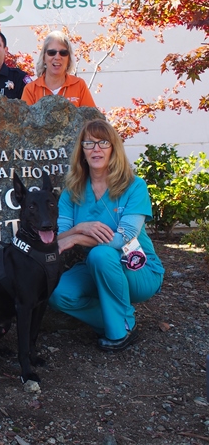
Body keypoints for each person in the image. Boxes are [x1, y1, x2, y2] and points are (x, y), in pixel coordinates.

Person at [49, 119, 164, 351]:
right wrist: (81, 228)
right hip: (97, 268)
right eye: (89, 144)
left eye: (103, 142)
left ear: (114, 148)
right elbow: (59, 239)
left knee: (101, 254)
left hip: (138, 269)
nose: (96, 149)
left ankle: (121, 329)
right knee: (59, 293)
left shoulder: (134, 186)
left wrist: (77, 239)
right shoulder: (72, 191)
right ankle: (118, 318)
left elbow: (124, 238)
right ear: (82, 151)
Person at [21, 30, 96, 108]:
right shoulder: (31, 89)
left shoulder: (79, 85)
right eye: (52, 52)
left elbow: (93, 118)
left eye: (63, 53)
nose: (57, 57)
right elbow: (25, 119)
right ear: (44, 57)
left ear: (69, 59)